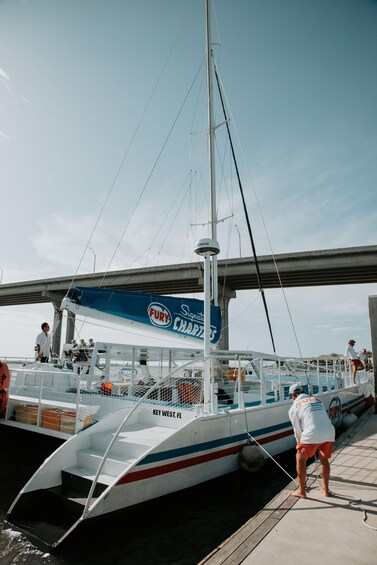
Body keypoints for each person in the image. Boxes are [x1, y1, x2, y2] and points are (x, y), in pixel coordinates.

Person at [288, 383, 335, 499]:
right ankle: (326, 490)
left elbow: (297, 429)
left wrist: (299, 443)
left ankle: (302, 491)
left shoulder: (294, 407)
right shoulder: (317, 400)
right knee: (324, 459)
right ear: (303, 392)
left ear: (292, 395)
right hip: (329, 431)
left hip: (311, 433)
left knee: (300, 459)